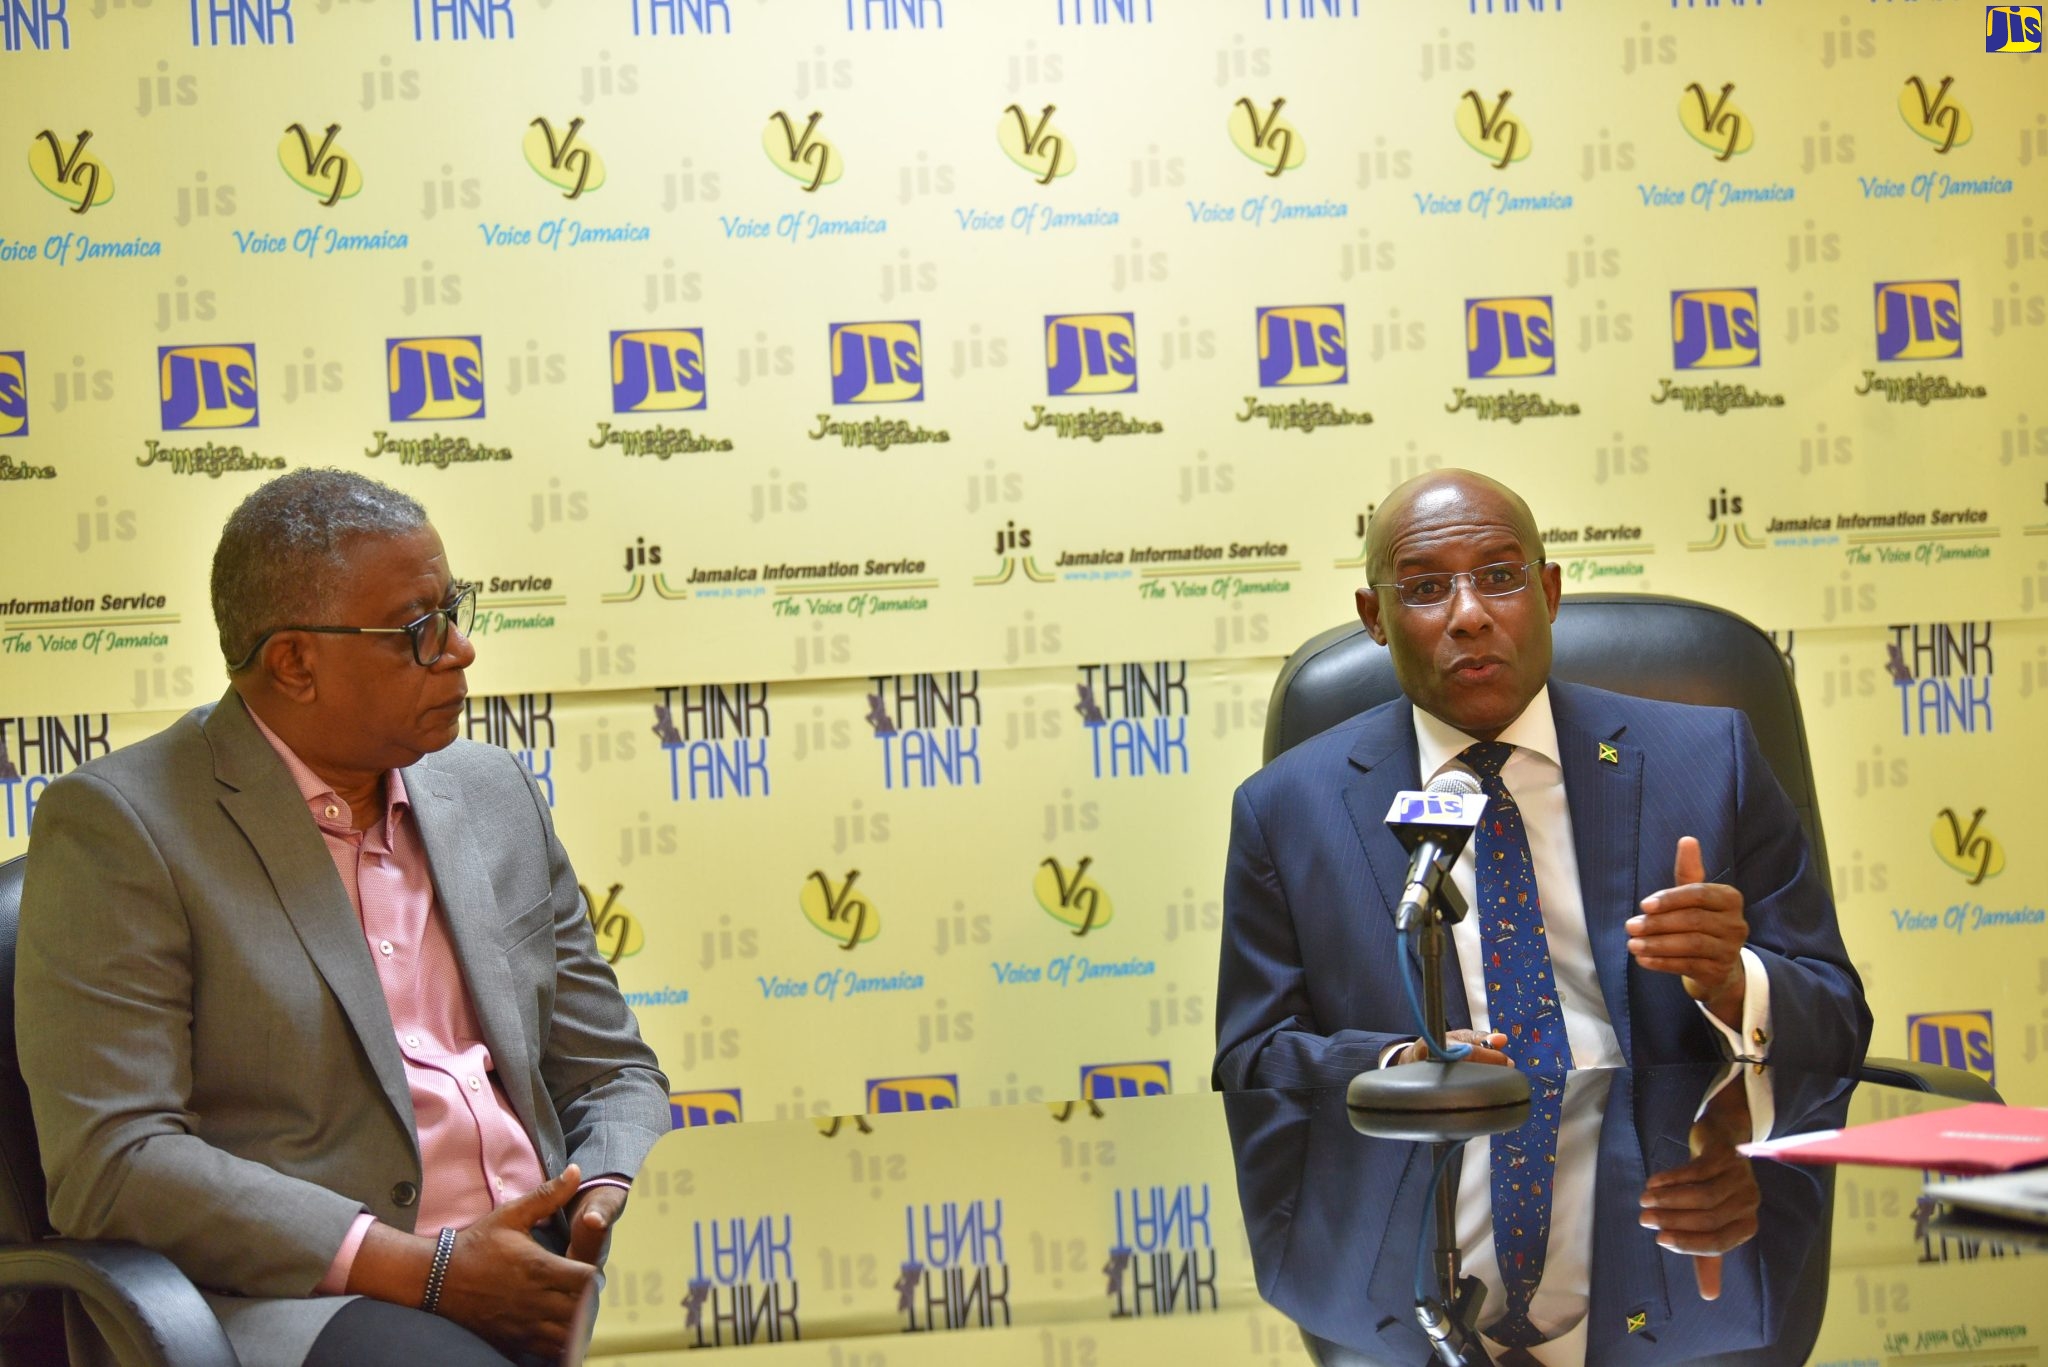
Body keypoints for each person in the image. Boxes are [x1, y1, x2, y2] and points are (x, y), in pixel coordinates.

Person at [17, 469, 671, 1367]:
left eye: (456, 609)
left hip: (526, 1279)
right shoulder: (124, 826)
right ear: (294, 662)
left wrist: (595, 1191)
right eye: (419, 629)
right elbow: (113, 1159)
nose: (461, 650)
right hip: (285, 1300)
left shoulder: (494, 794)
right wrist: (424, 1268)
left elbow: (612, 1067)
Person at [1213, 469, 1871, 1091]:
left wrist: (1734, 981)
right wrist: (1395, 1065)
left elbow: (1840, 1022)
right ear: (1374, 619)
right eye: (1425, 588)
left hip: (1673, 1184)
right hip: (1430, 1180)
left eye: (1500, 576)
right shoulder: (1287, 810)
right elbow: (1250, 1058)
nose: (1469, 614)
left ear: (1549, 593)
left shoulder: (1709, 762)